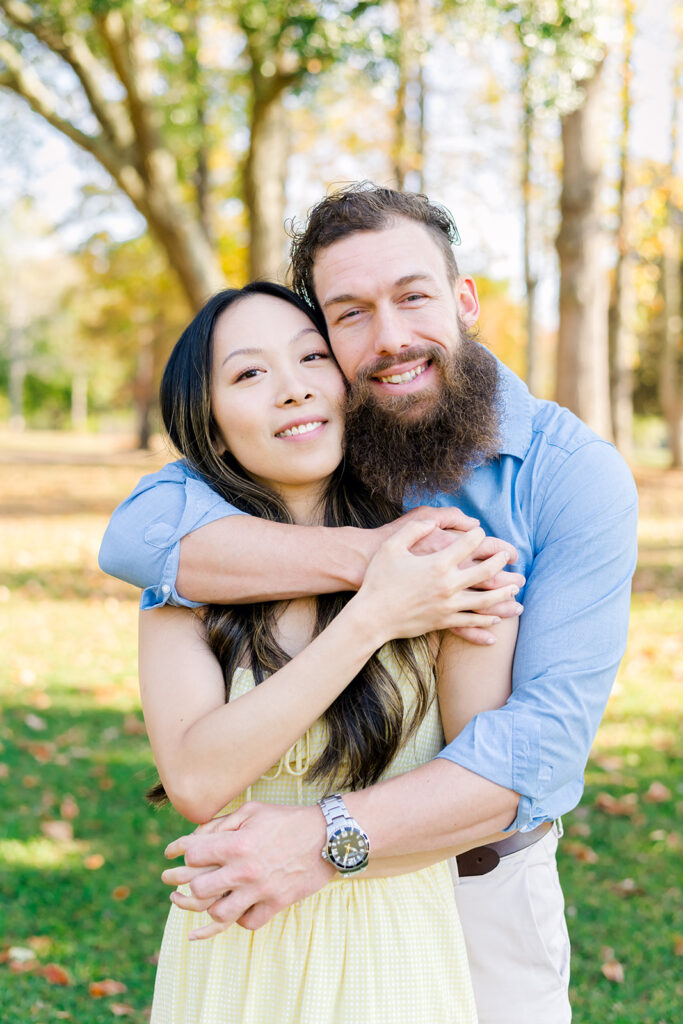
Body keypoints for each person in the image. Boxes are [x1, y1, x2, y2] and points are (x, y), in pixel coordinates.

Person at [100, 184, 638, 1024]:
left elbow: (528, 754)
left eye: (413, 296)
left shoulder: (569, 477)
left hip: (473, 880)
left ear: (464, 301)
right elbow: (137, 537)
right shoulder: (331, 444)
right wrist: (377, 569)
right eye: (348, 315)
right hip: (266, 912)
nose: (388, 338)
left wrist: (321, 838)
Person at [138, 279, 520, 1024]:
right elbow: (195, 779)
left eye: (312, 357)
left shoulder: (448, 557)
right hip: (235, 949)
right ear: (210, 426)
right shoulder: (183, 584)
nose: (291, 390)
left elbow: (487, 794)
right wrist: (370, 615)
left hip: (397, 949)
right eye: (249, 373)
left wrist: (324, 847)